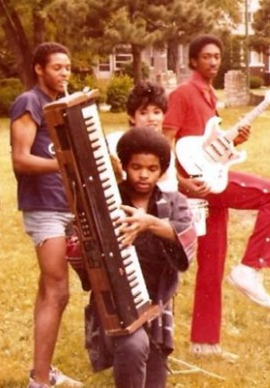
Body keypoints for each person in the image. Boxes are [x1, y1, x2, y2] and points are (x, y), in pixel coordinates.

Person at [162, 34, 270, 358]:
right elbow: (165, 144)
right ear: (193, 61)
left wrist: (235, 142)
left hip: (211, 180)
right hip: (195, 186)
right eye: (206, 56)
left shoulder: (209, 97)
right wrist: (181, 183)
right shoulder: (183, 93)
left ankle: (204, 343)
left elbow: (206, 148)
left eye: (217, 56)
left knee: (213, 261)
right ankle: (251, 267)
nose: (213, 62)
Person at [83, 126, 196, 387]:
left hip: (157, 305)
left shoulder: (173, 201)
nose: (144, 175)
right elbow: (80, 249)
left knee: (154, 379)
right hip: (115, 304)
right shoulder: (108, 201)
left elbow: (188, 239)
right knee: (133, 347)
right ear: (123, 165)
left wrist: (149, 223)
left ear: (162, 170)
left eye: (152, 168)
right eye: (136, 167)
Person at [9, 42, 84, 387]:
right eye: (57, 67)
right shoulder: (30, 102)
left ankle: (43, 371)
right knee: (57, 291)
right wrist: (65, 164)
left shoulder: (61, 105)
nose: (64, 73)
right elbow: (20, 159)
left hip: (69, 206)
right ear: (39, 69)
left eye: (67, 67)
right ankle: (40, 379)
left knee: (48, 291)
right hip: (44, 208)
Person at [106, 80, 177, 192]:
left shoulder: (166, 151)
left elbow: (170, 191)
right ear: (132, 117)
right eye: (143, 113)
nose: (151, 119)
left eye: (156, 112)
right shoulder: (113, 142)